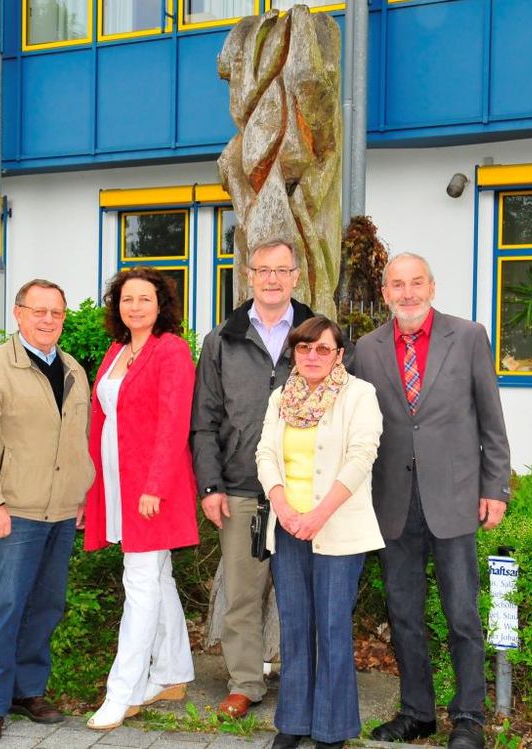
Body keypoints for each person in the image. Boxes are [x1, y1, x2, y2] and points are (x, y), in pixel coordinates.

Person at [353, 253, 511, 749]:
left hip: (455, 497)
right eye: (398, 285)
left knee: (461, 614)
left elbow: (491, 419)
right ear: (385, 293)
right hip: (393, 501)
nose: (408, 293)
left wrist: (495, 488)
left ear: (432, 287)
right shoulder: (366, 348)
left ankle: (469, 717)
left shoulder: (468, 337)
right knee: (404, 614)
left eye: (416, 282)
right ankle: (417, 713)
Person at [0, 280, 95, 745]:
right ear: (18, 313)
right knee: (3, 608)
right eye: (39, 311)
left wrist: (81, 494)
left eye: (56, 312)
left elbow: (79, 439)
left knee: (45, 606)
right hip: (12, 511)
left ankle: (27, 690)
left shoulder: (73, 369)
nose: (48, 320)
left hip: (61, 512)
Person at [191, 239, 316, 718]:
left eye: (282, 270)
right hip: (242, 487)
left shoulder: (317, 335)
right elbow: (203, 421)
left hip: (304, 491)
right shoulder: (222, 339)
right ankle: (245, 683)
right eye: (263, 270)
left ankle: (304, 682)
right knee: (242, 595)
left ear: (296, 276)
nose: (272, 279)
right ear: (248, 275)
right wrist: (210, 486)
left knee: (304, 595)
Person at [255, 316, 384, 749]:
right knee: (294, 625)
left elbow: (362, 456)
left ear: (339, 354)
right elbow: (265, 453)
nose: (312, 356)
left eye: (323, 349)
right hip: (288, 526)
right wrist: (283, 507)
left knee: (331, 627)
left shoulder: (359, 395)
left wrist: (318, 515)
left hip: (337, 527)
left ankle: (332, 728)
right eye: (304, 348)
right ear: (294, 352)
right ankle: (293, 721)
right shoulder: (281, 397)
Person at [83, 267, 199, 730]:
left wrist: (155, 486)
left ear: (160, 304)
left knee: (141, 582)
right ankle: (171, 672)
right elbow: (102, 417)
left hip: (152, 487)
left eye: (144, 298)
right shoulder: (117, 350)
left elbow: (174, 422)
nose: (134, 306)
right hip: (117, 481)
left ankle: (124, 691)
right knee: (157, 576)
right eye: (126, 299)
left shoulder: (170, 350)